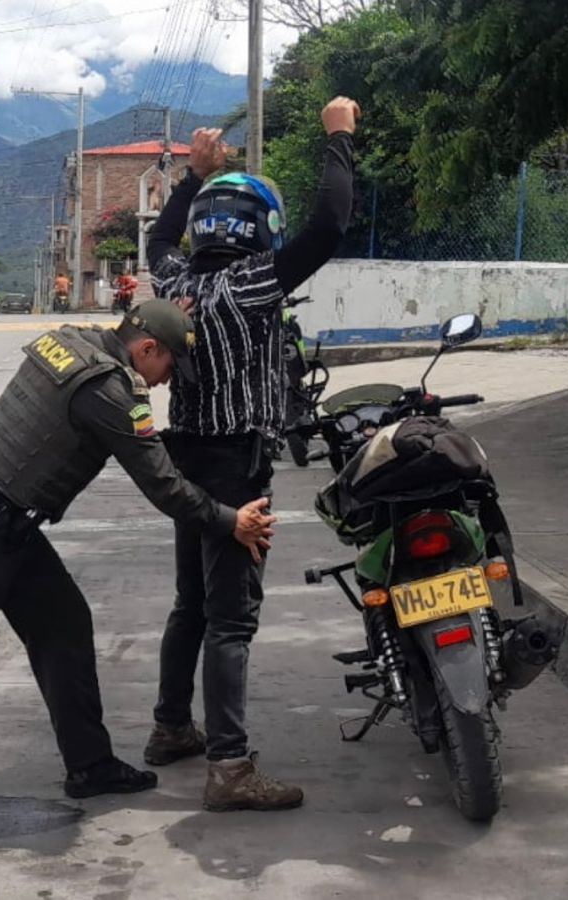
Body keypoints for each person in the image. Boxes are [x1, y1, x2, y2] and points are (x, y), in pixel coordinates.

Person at [0, 300, 279, 859]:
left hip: (4, 524)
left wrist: (168, 314)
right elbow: (162, 485)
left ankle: (90, 767)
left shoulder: (75, 339)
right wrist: (229, 520)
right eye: (168, 367)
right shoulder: (111, 392)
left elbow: (131, 327)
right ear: (146, 349)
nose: (167, 382)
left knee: (66, 626)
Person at [141, 97, 361, 811]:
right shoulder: (253, 284)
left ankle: (172, 727)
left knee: (191, 605)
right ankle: (230, 769)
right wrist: (337, 140)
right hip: (236, 468)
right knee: (231, 619)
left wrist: (189, 177)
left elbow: (157, 245)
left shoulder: (177, 284)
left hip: (186, 464)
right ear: (260, 228)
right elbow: (329, 225)